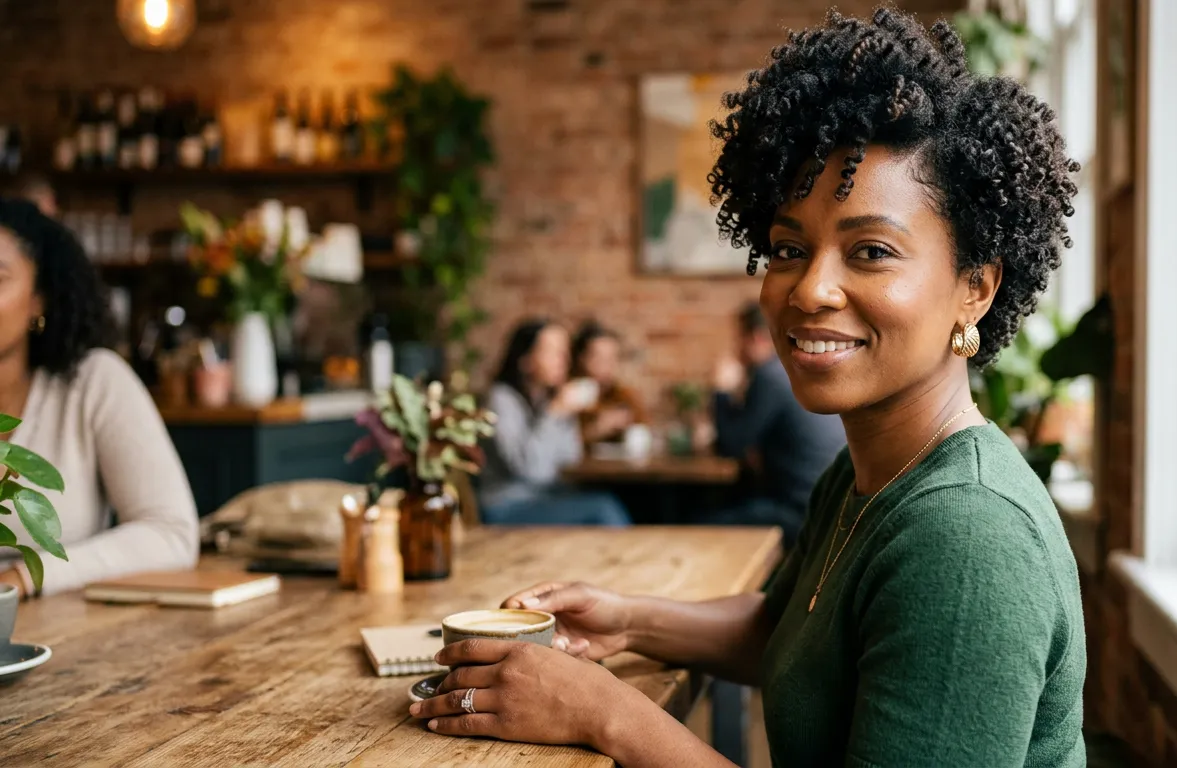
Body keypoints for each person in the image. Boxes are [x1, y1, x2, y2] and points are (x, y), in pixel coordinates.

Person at [406, 10, 1084, 767]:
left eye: (870, 250)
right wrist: (627, 622)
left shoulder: (967, 538)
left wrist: (609, 716)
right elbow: (788, 632)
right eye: (790, 248)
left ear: (976, 289)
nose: (811, 289)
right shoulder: (870, 470)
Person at [0, 198, 198, 598]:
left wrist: (23, 577)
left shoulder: (92, 383)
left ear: (39, 297)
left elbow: (171, 532)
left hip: (63, 637)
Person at [704, 301, 845, 546]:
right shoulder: (795, 369)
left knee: (696, 525)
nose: (737, 348)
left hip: (799, 511)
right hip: (827, 505)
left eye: (739, 339)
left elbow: (730, 446)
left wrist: (720, 391)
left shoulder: (770, 375)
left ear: (757, 338)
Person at [478, 318, 632, 526]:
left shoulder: (546, 400)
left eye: (565, 352)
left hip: (548, 497)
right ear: (526, 360)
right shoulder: (500, 400)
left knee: (619, 501)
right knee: (603, 509)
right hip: (508, 507)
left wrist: (565, 414)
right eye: (553, 352)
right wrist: (555, 413)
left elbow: (569, 458)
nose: (564, 360)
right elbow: (529, 470)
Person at [570, 321, 645, 447]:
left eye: (611, 358)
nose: (606, 366)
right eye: (599, 358)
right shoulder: (567, 396)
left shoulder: (623, 396)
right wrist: (596, 429)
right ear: (581, 359)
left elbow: (643, 430)